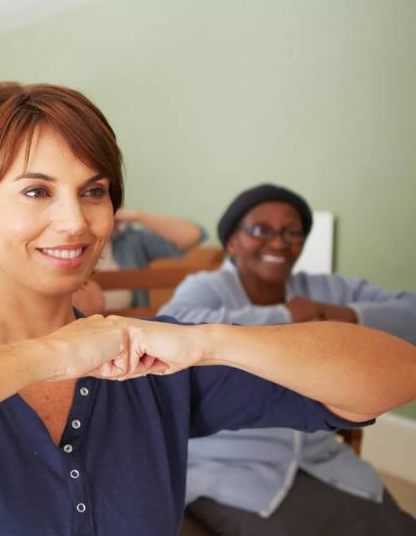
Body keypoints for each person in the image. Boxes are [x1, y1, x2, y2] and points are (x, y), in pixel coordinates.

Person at [0, 83, 416, 535]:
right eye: (36, 191)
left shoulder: (157, 360)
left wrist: (211, 342)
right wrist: (50, 355)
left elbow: (391, 378)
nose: (75, 221)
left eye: (94, 191)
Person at [159, 183, 416, 535]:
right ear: (233, 241)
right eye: (261, 230)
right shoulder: (206, 287)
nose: (279, 242)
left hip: (321, 459)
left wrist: (337, 314)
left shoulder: (322, 290)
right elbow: (175, 328)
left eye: (291, 231)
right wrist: (289, 318)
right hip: (232, 468)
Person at [88, 208, 207, 311]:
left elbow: (194, 235)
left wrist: (135, 215)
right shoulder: (74, 250)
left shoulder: (129, 241)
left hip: (132, 327)